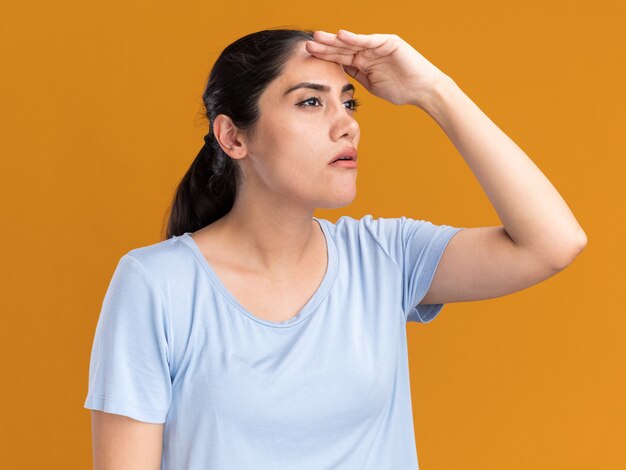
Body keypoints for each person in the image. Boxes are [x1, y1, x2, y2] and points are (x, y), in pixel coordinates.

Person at [84, 28, 587, 469]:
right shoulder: (156, 285)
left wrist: (434, 91)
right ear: (233, 137)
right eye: (310, 101)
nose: (347, 123)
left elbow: (553, 243)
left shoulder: (385, 256)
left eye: (349, 101)